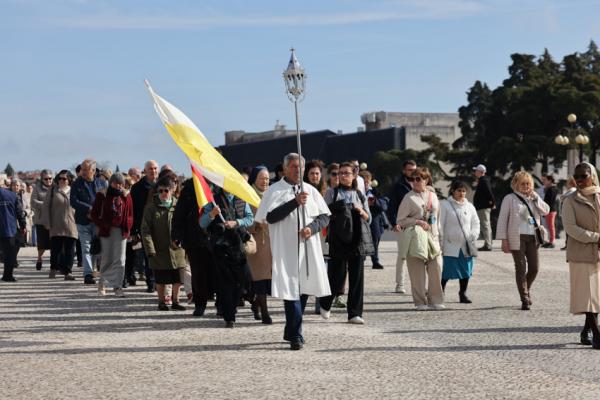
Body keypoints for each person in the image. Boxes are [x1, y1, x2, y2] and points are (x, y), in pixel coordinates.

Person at [254, 153, 331, 350]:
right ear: (285, 169)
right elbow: (270, 217)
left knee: (303, 289)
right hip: (286, 249)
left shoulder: (310, 190)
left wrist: (311, 228)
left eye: (301, 167)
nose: (298, 170)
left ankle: (292, 329)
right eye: (294, 167)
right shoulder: (274, 190)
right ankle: (296, 335)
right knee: (291, 289)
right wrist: (294, 202)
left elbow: (324, 217)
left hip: (308, 247)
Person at [321, 162, 372, 324]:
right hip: (338, 240)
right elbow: (324, 214)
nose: (342, 176)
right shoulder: (332, 192)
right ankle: (325, 303)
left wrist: (360, 211)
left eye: (346, 173)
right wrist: (339, 209)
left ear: (354, 175)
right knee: (337, 276)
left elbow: (369, 218)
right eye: (340, 173)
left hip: (358, 239)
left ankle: (354, 313)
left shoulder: (360, 194)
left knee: (357, 278)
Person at [200, 185, 254, 328]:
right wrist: (212, 214)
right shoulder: (212, 201)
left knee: (244, 279)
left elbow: (250, 219)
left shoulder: (241, 200)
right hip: (220, 248)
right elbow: (202, 223)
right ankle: (229, 317)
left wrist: (236, 222)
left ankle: (236, 304)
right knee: (226, 284)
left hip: (238, 247)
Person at [496, 171, 550, 310]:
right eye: (523, 184)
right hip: (517, 237)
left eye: (528, 184)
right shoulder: (509, 198)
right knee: (520, 267)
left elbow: (546, 211)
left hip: (533, 237)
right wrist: (503, 240)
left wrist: (536, 198)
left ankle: (525, 288)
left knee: (534, 268)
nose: (526, 186)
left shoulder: (534, 197)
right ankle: (524, 297)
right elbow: (502, 220)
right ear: (516, 184)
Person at [562, 162, 600, 348]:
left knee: (596, 295)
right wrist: (596, 237)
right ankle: (597, 335)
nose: (579, 180)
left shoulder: (599, 195)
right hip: (581, 253)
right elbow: (570, 228)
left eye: (583, 176)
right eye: (576, 177)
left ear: (592, 176)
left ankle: (586, 330)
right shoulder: (570, 200)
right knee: (587, 295)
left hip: (598, 253)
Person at [397, 167, 444, 310]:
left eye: (418, 179)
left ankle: (436, 300)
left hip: (432, 237)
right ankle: (420, 302)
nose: (415, 182)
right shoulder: (408, 197)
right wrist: (417, 222)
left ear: (426, 180)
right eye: (412, 179)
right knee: (417, 271)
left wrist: (439, 235)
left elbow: (438, 218)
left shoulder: (433, 196)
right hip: (416, 238)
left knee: (436, 267)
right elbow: (400, 220)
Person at [171, 178, 217, 317]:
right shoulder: (189, 188)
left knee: (218, 272)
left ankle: (221, 304)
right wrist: (177, 234)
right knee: (198, 273)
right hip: (194, 237)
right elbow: (179, 214)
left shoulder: (219, 185)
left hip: (217, 236)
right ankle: (200, 304)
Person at [141, 175, 187, 310]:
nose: (163, 193)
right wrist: (150, 249)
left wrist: (181, 240)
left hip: (177, 248)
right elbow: (145, 230)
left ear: (172, 190)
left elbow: (185, 225)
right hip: (159, 249)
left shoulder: (179, 206)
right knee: (161, 278)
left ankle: (176, 301)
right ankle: (161, 302)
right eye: (160, 191)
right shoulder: (151, 208)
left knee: (178, 278)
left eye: (166, 190)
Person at [91, 173, 133, 297]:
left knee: (120, 260)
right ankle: (102, 284)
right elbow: (94, 214)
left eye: (121, 184)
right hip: (107, 231)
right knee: (107, 259)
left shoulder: (126, 195)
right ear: (111, 183)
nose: (119, 186)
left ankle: (118, 287)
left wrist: (128, 226)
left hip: (121, 231)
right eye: (116, 183)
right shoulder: (102, 194)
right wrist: (103, 224)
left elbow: (130, 214)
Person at [440, 181, 480, 303]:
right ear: (453, 191)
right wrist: (440, 242)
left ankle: (463, 293)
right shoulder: (445, 205)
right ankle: (440, 292)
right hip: (450, 245)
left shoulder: (470, 206)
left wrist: (473, 235)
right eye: (459, 190)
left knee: (466, 271)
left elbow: (476, 223)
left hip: (465, 245)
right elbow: (440, 225)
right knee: (446, 271)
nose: (461, 193)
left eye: (463, 191)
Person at [246, 166, 274, 324]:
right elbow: (243, 220)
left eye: (267, 178)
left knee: (270, 282)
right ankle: (265, 313)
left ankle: (256, 303)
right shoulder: (247, 195)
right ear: (254, 179)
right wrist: (256, 225)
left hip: (273, 243)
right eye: (262, 178)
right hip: (256, 243)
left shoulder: (273, 195)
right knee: (260, 280)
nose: (265, 181)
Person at [70, 159, 104, 284]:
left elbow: (105, 200)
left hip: (98, 221)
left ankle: (94, 270)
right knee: (86, 247)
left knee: (96, 247)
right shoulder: (76, 184)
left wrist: (96, 212)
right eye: (82, 169)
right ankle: (88, 274)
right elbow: (74, 201)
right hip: (82, 221)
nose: (83, 172)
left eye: (86, 169)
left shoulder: (102, 183)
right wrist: (89, 209)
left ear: (93, 171)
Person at [41, 170, 78, 280]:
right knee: (56, 250)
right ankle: (53, 268)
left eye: (64, 179)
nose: (61, 180)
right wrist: (47, 222)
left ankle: (68, 272)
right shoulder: (53, 190)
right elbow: (46, 207)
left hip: (72, 224)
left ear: (69, 180)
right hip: (56, 224)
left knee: (70, 250)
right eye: (60, 178)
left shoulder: (74, 191)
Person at [387, 160, 417, 293]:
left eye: (414, 169)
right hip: (403, 224)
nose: (413, 172)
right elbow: (391, 207)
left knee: (419, 255)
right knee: (402, 255)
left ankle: (418, 285)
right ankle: (400, 284)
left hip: (419, 224)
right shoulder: (398, 186)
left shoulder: (422, 183)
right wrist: (394, 223)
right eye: (410, 170)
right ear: (404, 171)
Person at [131, 160, 159, 292]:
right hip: (144, 225)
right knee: (149, 254)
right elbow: (133, 210)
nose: (153, 171)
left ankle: (159, 281)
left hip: (160, 225)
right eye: (150, 169)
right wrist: (134, 230)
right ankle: (151, 282)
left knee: (159, 254)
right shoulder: (137, 187)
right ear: (145, 171)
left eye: (155, 168)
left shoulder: (162, 185)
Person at [361, 170, 389, 270]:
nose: (365, 184)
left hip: (375, 221)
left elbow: (384, 206)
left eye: (367, 182)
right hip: (362, 220)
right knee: (361, 241)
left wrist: (374, 202)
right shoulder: (356, 191)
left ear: (370, 182)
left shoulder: (375, 192)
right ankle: (361, 259)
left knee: (375, 242)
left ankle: (375, 261)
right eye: (363, 182)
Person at [0, 185, 26, 282]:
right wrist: (23, 226)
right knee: (9, 254)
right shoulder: (12, 195)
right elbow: (19, 212)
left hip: (8, 229)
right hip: (9, 229)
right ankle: (8, 276)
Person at [30, 169, 53, 271]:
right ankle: (40, 258)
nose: (48, 180)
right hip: (41, 220)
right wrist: (45, 204)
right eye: (46, 179)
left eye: (50, 178)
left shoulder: (55, 187)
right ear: (42, 179)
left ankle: (54, 261)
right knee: (42, 243)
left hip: (54, 219)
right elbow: (33, 202)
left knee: (54, 242)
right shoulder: (37, 188)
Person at [472, 164, 495, 251]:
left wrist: (492, 202)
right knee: (486, 225)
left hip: (483, 207)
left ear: (480, 172)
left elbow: (489, 192)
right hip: (482, 206)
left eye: (476, 170)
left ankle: (488, 244)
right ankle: (488, 243)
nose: (475, 172)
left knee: (485, 225)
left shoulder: (484, 180)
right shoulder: (482, 180)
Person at [541, 174, 558, 248]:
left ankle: (552, 241)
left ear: (550, 180)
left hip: (550, 210)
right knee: (549, 226)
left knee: (551, 226)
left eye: (545, 180)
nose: (544, 182)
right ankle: (549, 240)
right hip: (550, 210)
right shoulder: (550, 188)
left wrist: (544, 210)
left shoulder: (552, 189)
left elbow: (549, 201)